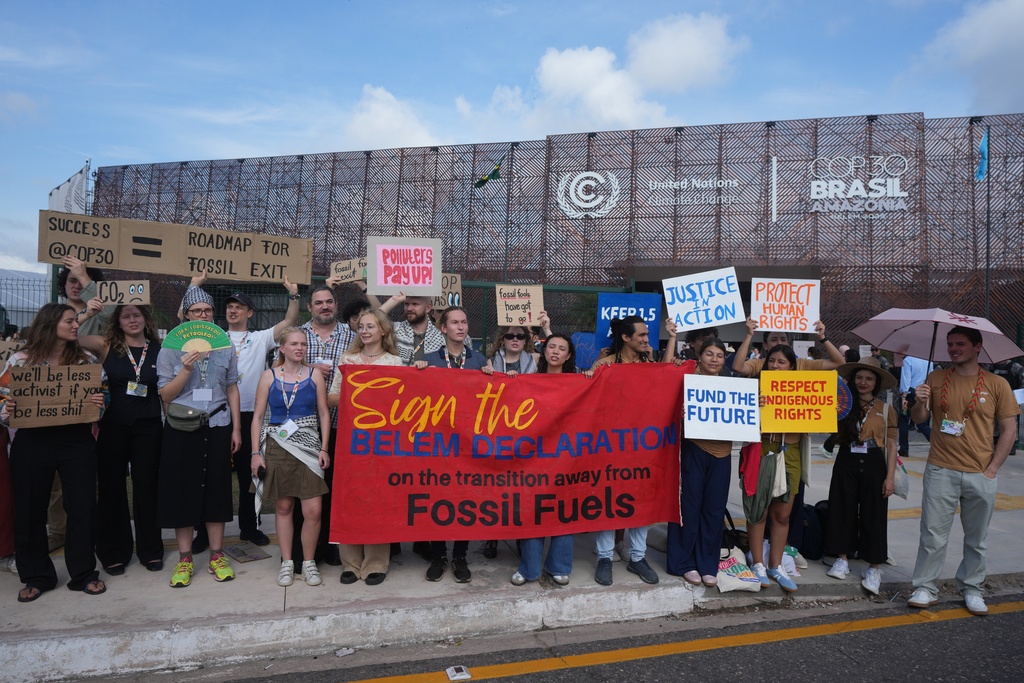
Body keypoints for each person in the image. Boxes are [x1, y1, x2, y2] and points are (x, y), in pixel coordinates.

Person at [184, 270, 300, 552]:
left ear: (250, 313)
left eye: (239, 307)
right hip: (216, 414)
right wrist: (193, 286)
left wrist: (293, 294)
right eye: (229, 307)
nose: (233, 311)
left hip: (250, 415)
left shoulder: (260, 338)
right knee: (211, 474)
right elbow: (186, 318)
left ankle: (250, 526)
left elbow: (289, 321)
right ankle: (203, 532)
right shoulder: (211, 336)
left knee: (251, 474)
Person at [907, 326, 1020, 616]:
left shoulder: (997, 384)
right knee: (932, 534)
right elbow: (920, 419)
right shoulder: (935, 378)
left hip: (980, 472)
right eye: (950, 344)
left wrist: (992, 469)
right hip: (940, 469)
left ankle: (972, 588)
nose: (953, 349)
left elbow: (1009, 431)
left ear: (977, 346)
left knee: (976, 539)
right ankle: (925, 587)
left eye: (960, 344)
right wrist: (919, 401)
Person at [1, 303, 107, 602]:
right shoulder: (20, 361)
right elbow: (2, 401)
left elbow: (104, 396)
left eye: (75, 321)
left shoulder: (86, 360)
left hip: (76, 441)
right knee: (30, 510)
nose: (76, 325)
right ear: (50, 325)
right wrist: (7, 409)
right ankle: (36, 575)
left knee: (83, 507)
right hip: (32, 442)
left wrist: (101, 403)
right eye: (70, 321)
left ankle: (83, 572)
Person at [156, 287, 241, 588]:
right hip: (182, 426)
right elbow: (165, 394)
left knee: (216, 489)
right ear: (186, 315)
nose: (203, 315)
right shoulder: (171, 347)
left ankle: (217, 555)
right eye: (197, 311)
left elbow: (231, 386)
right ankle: (184, 558)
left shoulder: (224, 344)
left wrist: (236, 428)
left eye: (207, 310)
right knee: (182, 490)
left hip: (217, 423)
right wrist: (185, 369)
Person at [78, 303, 165, 575]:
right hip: (113, 426)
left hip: (148, 427)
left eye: (137, 315)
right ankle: (113, 551)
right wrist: (88, 313)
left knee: (147, 488)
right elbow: (71, 335)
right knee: (111, 488)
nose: (132, 320)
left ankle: (151, 549)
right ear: (117, 321)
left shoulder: (159, 349)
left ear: (146, 318)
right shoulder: (106, 345)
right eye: (126, 316)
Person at [415, 306, 494, 582]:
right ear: (443, 328)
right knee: (437, 498)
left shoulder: (479, 360)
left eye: (464, 322)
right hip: (438, 444)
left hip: (469, 444)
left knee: (465, 499)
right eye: (455, 323)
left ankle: (460, 555)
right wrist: (417, 373)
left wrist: (492, 377)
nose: (461, 327)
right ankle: (438, 555)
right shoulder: (429, 360)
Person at [250, 327, 331, 588]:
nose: (300, 348)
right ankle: (287, 562)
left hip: (309, 446)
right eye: (294, 344)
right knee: (284, 507)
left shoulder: (315, 375)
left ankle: (308, 562)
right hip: (278, 446)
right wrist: (255, 453)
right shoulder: (269, 376)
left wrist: (324, 448)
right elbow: (258, 417)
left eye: (303, 344)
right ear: (282, 348)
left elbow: (323, 413)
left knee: (313, 510)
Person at [328, 309, 403, 585]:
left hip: (381, 441)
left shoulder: (395, 362)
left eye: (370, 326)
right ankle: (350, 562)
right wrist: (358, 390)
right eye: (361, 327)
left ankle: (376, 563)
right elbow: (332, 397)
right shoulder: (347, 359)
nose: (365, 331)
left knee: (378, 499)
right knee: (349, 497)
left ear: (383, 330)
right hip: (350, 439)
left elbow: (401, 399)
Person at [511, 334, 591, 586]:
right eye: (551, 347)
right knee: (532, 510)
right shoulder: (528, 380)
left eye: (562, 349)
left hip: (566, 457)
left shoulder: (579, 382)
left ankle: (559, 566)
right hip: (534, 456)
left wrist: (592, 380)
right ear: (544, 351)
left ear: (568, 356)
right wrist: (511, 382)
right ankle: (529, 568)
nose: (555, 351)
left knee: (564, 509)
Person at [591, 316, 660, 586]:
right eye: (641, 335)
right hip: (610, 446)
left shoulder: (653, 367)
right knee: (607, 499)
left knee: (641, 499)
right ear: (625, 338)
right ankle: (605, 557)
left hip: (643, 447)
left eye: (646, 334)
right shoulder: (604, 365)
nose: (646, 339)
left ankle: (638, 557)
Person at [823, 357, 898, 595]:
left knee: (874, 514)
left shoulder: (886, 410)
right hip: (846, 460)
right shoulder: (842, 405)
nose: (863, 382)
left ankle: (874, 566)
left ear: (876, 383)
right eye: (859, 377)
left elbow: (892, 445)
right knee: (841, 509)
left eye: (869, 378)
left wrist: (890, 477)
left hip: (875, 463)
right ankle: (842, 559)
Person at [666, 338, 733, 587]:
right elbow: (664, 383)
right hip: (693, 449)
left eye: (719, 355)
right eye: (709, 354)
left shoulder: (732, 386)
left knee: (714, 511)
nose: (714, 359)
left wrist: (755, 405)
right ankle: (683, 562)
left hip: (722, 454)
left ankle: (707, 564)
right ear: (700, 356)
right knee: (689, 508)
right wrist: (680, 413)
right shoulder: (687, 379)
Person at [742, 344, 805, 592]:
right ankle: (758, 563)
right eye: (772, 361)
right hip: (762, 450)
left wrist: (825, 410)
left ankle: (775, 565)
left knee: (783, 514)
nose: (775, 366)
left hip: (791, 454)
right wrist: (753, 404)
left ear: (792, 367)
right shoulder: (755, 388)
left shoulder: (803, 390)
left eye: (782, 362)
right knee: (758, 510)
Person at [297, 283, 352, 566]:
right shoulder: (298, 335)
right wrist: (310, 369)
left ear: (336, 304)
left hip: (342, 422)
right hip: (304, 423)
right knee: (305, 488)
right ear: (309, 307)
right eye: (319, 303)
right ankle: (305, 550)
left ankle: (331, 545)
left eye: (329, 301)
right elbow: (279, 367)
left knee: (335, 487)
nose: (325, 306)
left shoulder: (352, 336)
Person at [898, 354, 934, 457]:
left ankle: (904, 448)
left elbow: (906, 378)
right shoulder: (928, 360)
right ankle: (936, 443)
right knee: (921, 422)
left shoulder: (908, 360)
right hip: (924, 391)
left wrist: (904, 395)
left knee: (904, 420)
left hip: (911, 391)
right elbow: (931, 376)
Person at [395, 295, 445, 366]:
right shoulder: (395, 330)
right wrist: (394, 300)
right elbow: (378, 318)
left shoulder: (440, 338)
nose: (409, 308)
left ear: (428, 308)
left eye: (415, 304)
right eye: (406, 304)